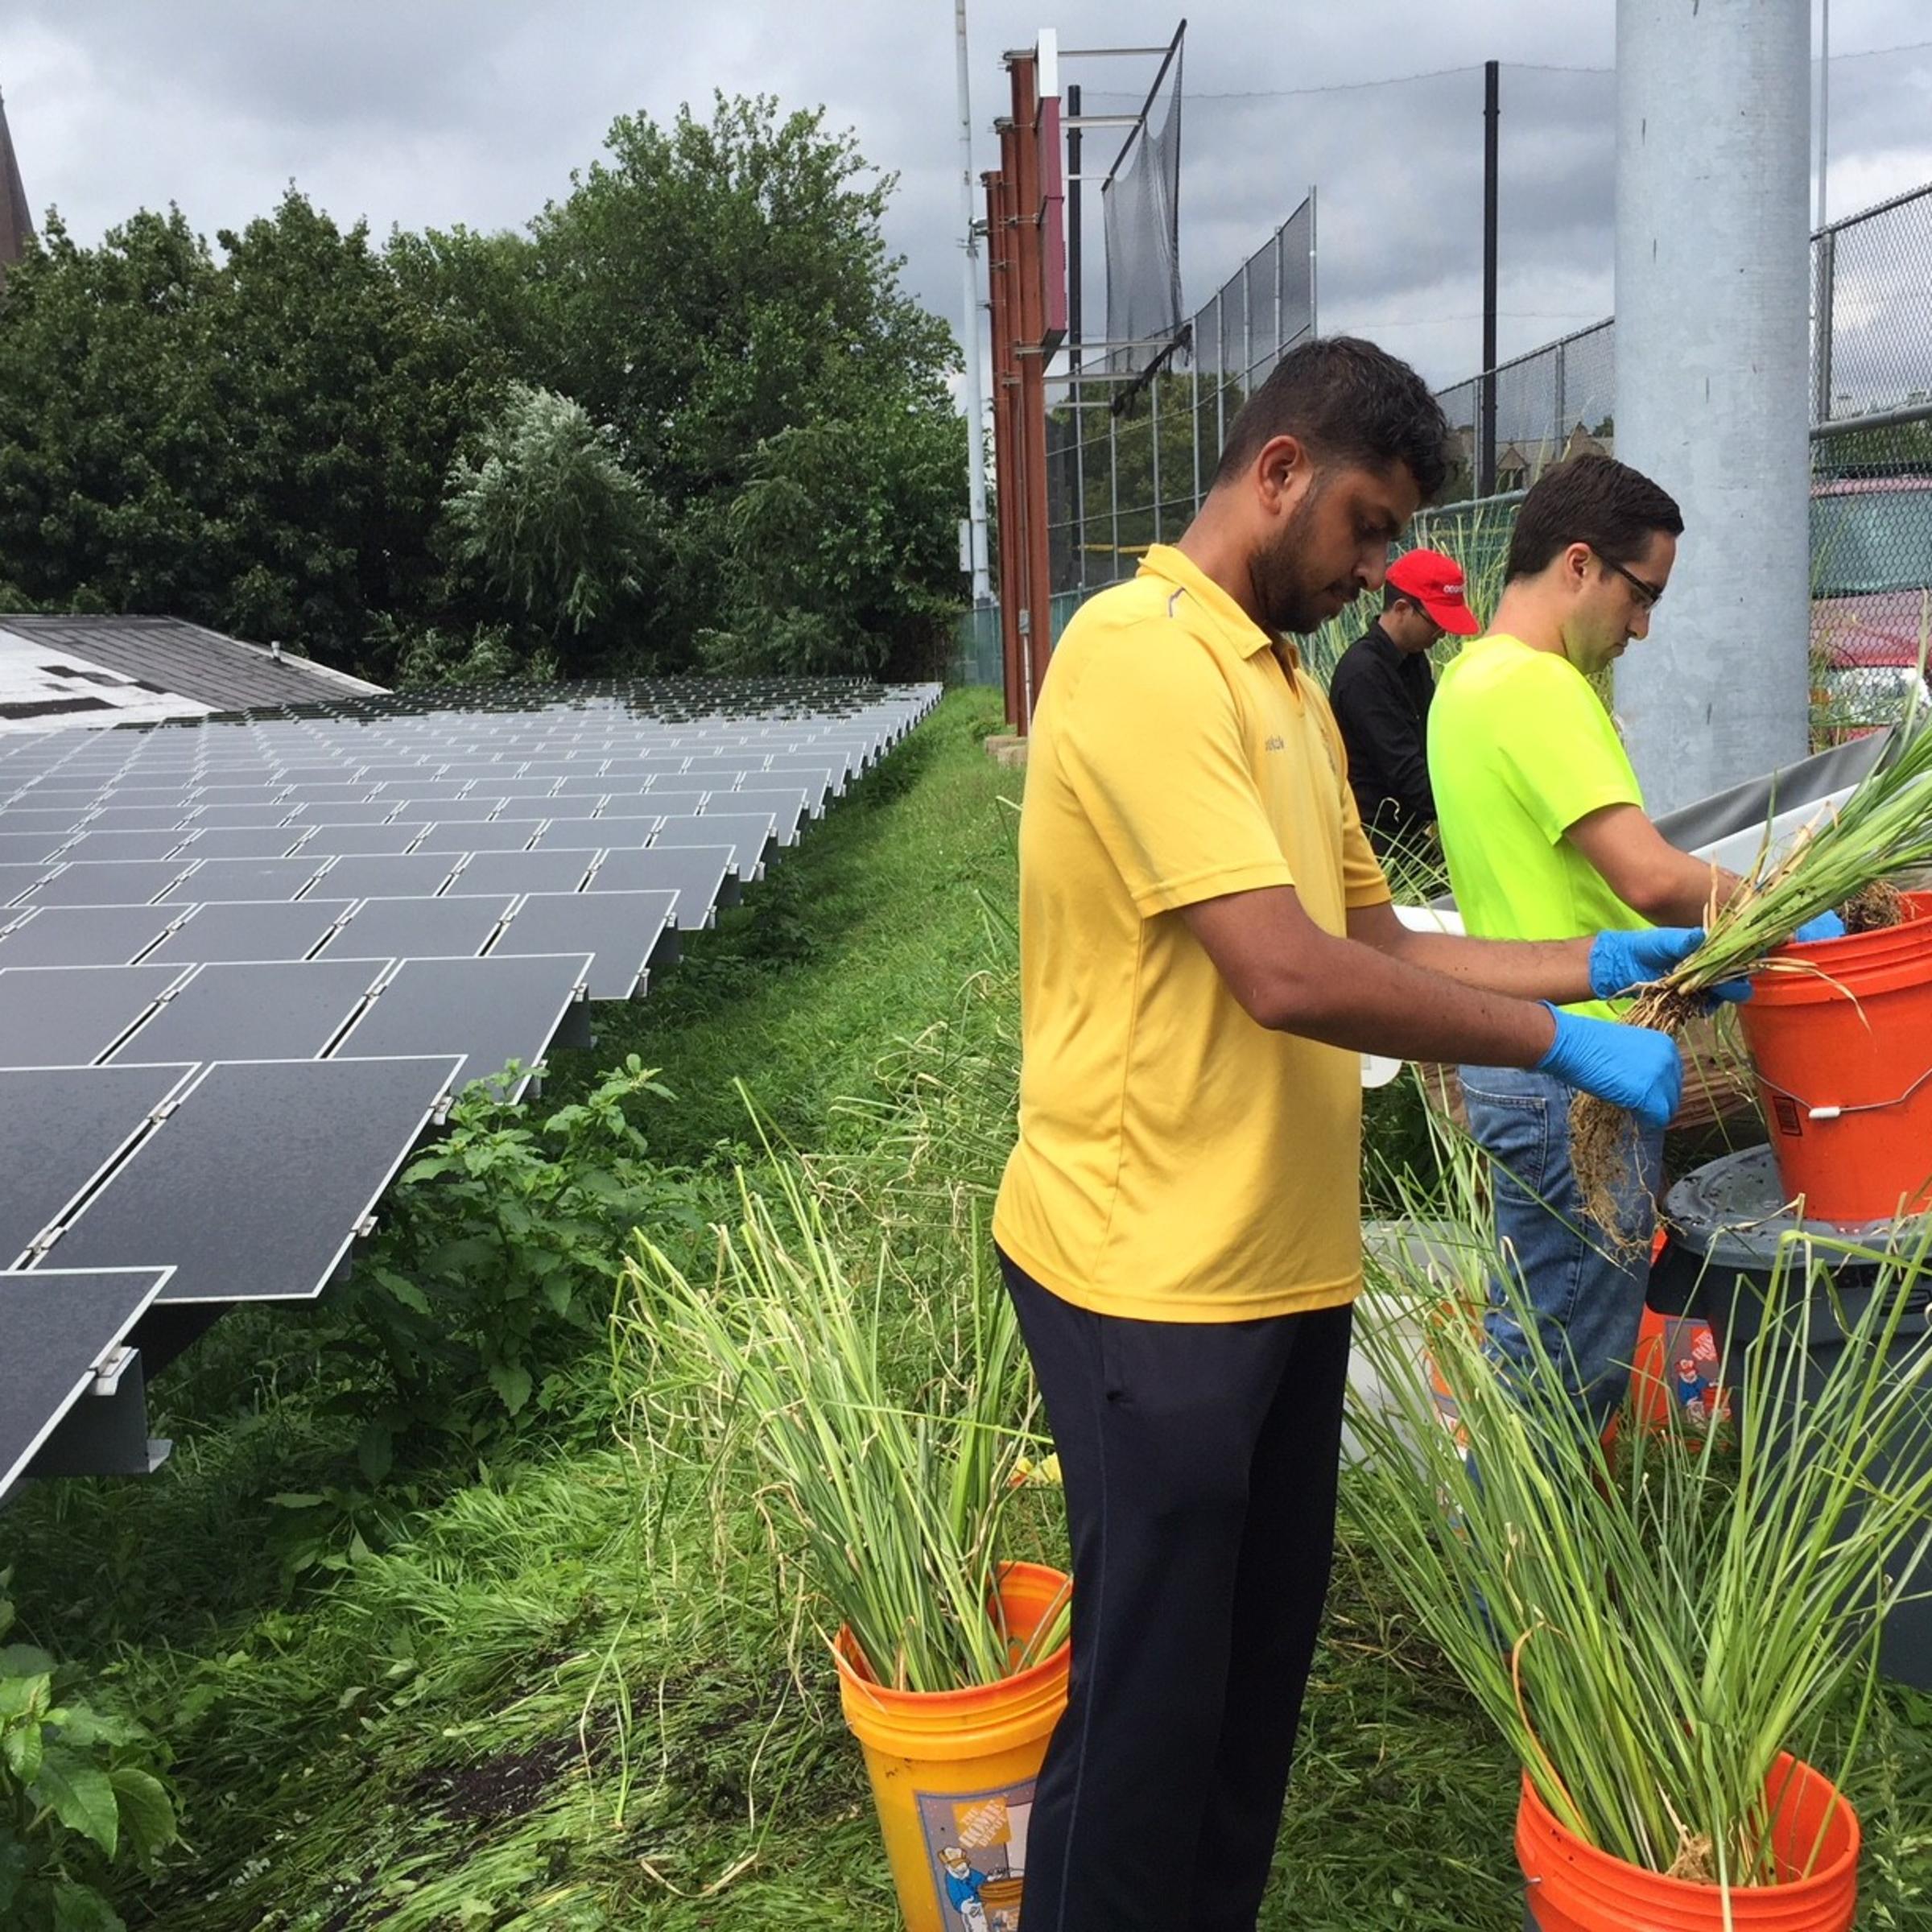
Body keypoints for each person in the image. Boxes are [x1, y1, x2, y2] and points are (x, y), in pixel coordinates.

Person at [991, 338, 1721, 1931]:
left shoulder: (1283, 695)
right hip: (1147, 1280)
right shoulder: (1137, 657)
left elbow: (1381, 942)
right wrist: (1556, 1039)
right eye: (1371, 526)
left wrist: (1595, 961)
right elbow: (1281, 969)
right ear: (1278, 474)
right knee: (1146, 1719)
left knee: (1248, 1700)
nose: (1384, 568)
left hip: (1285, 1271)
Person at [1427, 452, 1840, 1431]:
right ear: (1580, 565)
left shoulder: (1467, 683)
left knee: (1540, 1337)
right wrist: (1779, 909)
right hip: (1578, 1071)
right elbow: (1649, 876)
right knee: (1568, 1371)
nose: (1644, 626)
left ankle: (1513, 1564)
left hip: (1527, 1053)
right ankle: (1522, 1586)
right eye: (1642, 594)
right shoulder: (1537, 689)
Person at [1327, 547, 1479, 854]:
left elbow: (1436, 739)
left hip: (1407, 831)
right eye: (1435, 621)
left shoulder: (1412, 660)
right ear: (1401, 609)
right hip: (1371, 840)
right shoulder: (1363, 675)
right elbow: (1406, 773)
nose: (1443, 633)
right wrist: (1476, 813)